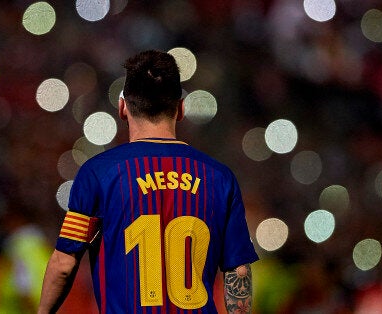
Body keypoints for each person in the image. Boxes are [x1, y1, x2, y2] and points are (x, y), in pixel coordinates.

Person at [38, 50, 259, 313]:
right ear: (180, 109)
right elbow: (239, 271)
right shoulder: (219, 178)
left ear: (123, 108)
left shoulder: (99, 173)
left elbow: (64, 264)